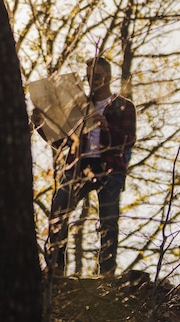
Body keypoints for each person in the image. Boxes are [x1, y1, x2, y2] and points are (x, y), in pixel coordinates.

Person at [33, 57, 137, 278]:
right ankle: (56, 267)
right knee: (60, 205)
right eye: (89, 76)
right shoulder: (78, 106)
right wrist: (41, 126)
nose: (93, 80)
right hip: (80, 165)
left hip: (110, 166)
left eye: (97, 76)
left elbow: (128, 139)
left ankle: (106, 272)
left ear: (108, 77)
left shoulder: (123, 106)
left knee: (108, 218)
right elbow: (61, 142)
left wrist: (106, 126)